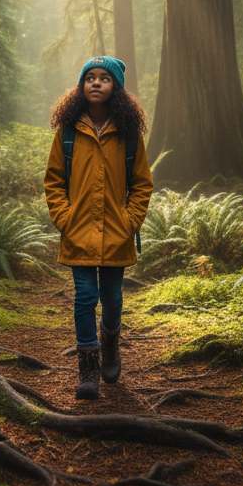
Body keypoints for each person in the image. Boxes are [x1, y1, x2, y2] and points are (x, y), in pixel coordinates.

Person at [43, 55, 153, 400]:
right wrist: (65, 218)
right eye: (89, 77)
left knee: (113, 299)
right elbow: (53, 182)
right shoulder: (69, 132)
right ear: (81, 86)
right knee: (85, 298)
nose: (96, 83)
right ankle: (88, 370)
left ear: (115, 88)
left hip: (117, 234)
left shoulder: (129, 135)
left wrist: (130, 221)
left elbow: (142, 185)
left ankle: (110, 346)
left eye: (104, 78)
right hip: (77, 232)